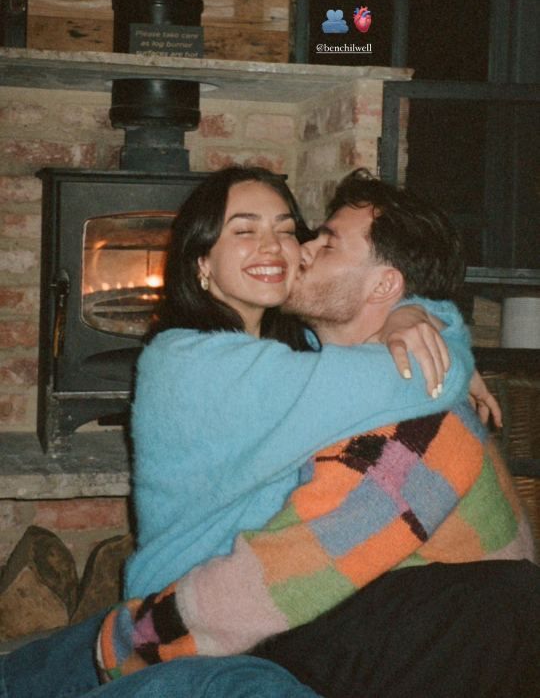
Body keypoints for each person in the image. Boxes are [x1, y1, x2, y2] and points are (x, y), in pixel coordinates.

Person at [0, 167, 480, 698]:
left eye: (285, 228)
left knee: (472, 606)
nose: (276, 247)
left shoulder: (295, 348)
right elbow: (420, 379)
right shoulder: (189, 363)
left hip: (269, 609)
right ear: (202, 262)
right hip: (189, 622)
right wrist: (436, 336)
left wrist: (414, 312)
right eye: (245, 230)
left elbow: (396, 345)